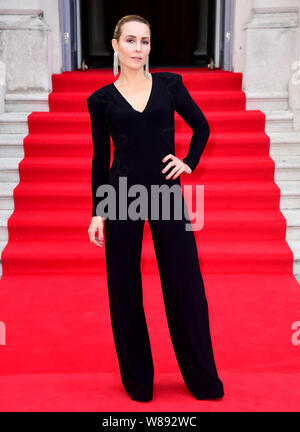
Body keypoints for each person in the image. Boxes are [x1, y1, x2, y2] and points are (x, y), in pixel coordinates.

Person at [87, 14, 224, 402]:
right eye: (130, 41)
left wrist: (188, 162)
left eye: (144, 42)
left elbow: (201, 126)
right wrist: (98, 211)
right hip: (121, 194)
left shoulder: (169, 85)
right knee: (124, 287)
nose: (138, 49)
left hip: (165, 192)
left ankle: (202, 379)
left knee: (185, 283)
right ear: (115, 45)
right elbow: (100, 159)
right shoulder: (100, 100)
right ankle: (138, 382)